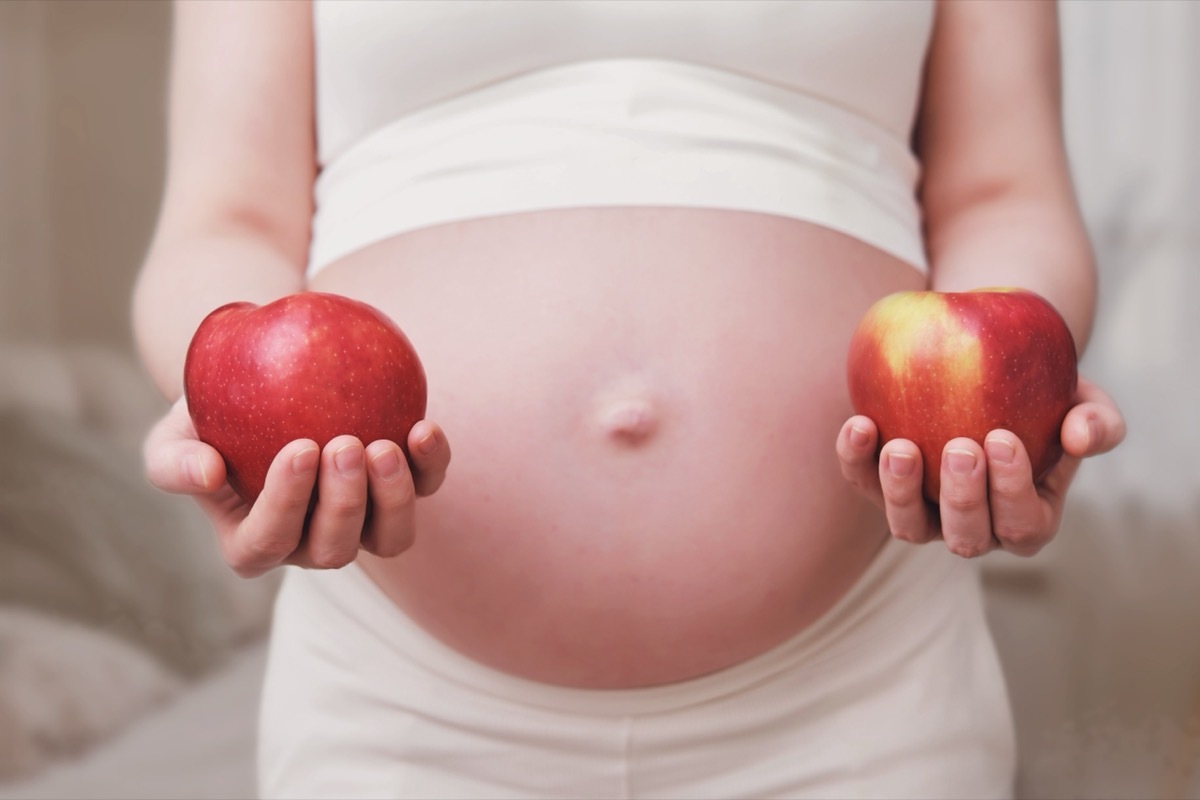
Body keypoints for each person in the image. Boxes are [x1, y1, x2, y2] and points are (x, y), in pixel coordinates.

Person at [133, 1, 1125, 798]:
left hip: (864, 685)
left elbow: (1003, 190)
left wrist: (1005, 417)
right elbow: (229, 213)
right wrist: (222, 405)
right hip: (403, 705)